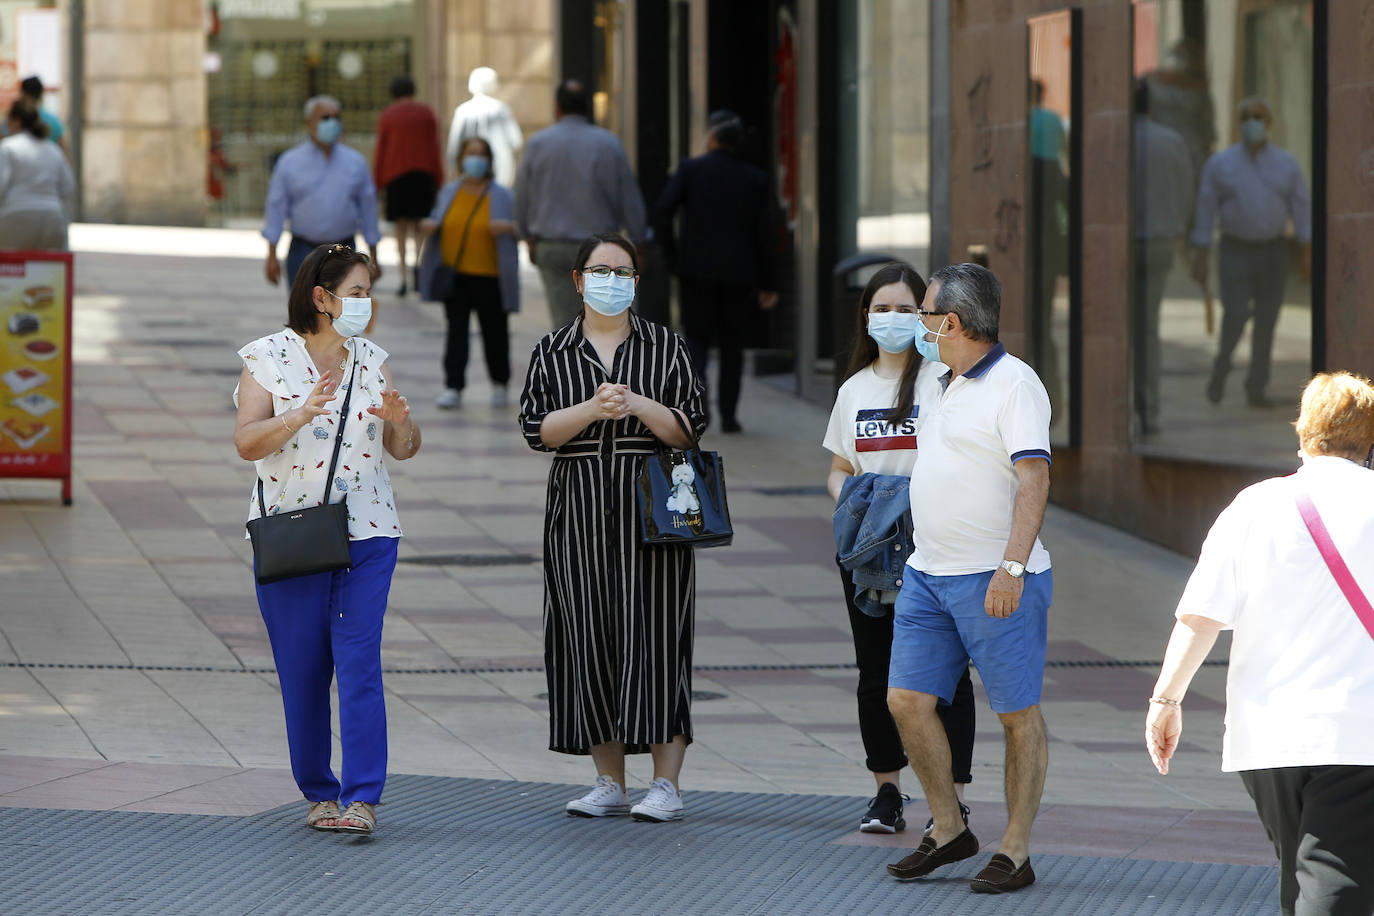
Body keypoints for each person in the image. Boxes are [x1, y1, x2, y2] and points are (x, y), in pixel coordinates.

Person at [1146, 371, 1374, 916]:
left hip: (1267, 735)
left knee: (1303, 872)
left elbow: (1200, 616)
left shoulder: (1254, 506)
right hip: (1356, 731)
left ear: (1303, 435)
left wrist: (1166, 701)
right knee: (1333, 878)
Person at [233, 243, 421, 835]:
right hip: (292, 536)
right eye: (358, 292)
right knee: (303, 668)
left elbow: (405, 449)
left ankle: (362, 798)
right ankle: (319, 792)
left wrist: (400, 423)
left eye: (370, 292)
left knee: (359, 660)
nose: (368, 304)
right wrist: (300, 413)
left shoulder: (373, 360)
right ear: (323, 297)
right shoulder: (267, 358)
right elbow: (246, 443)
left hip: (367, 530)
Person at [518, 232, 706, 822]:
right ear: (577, 280)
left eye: (623, 271)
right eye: (600, 271)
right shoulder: (552, 350)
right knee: (585, 635)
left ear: (636, 281)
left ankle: (666, 784)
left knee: (657, 636)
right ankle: (608, 779)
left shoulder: (666, 346)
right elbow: (535, 429)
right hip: (576, 508)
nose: (612, 280)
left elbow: (689, 426)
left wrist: (638, 404)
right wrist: (593, 409)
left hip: (654, 505)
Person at [884, 263, 1052, 894]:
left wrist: (1011, 567)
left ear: (949, 322)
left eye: (925, 313)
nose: (920, 324)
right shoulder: (939, 379)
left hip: (997, 576)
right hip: (929, 573)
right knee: (906, 701)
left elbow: (1034, 479)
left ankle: (1016, 850)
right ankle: (950, 828)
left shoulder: (1016, 384)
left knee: (1016, 713)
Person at [823, 262, 975, 836]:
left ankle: (953, 798)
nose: (892, 319)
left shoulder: (945, 381)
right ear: (866, 317)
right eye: (881, 308)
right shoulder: (853, 390)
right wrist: (859, 502)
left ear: (927, 316)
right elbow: (838, 469)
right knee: (877, 674)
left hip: (935, 548)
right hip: (868, 556)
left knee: (948, 676)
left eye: (905, 308)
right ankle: (887, 792)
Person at [653, 110, 777, 434]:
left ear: (712, 138)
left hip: (695, 271)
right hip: (740, 274)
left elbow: (663, 211)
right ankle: (730, 415)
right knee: (733, 345)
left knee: (696, 341)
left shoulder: (691, 170)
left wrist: (673, 256)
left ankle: (699, 410)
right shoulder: (755, 178)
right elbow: (766, 232)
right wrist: (768, 281)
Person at [1190, 96, 1311, 409]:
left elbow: (1300, 207)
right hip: (1235, 250)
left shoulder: (1285, 164)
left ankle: (1257, 385)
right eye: (1246, 117)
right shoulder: (1222, 163)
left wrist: (1307, 249)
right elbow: (1205, 208)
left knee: (1267, 321)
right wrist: (1200, 252)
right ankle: (1222, 365)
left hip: (1273, 250)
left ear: (1268, 124)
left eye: (1258, 117)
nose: (1251, 122)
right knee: (1236, 313)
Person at [514, 79, 646, 329]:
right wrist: (638, 240)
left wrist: (527, 236)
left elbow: (522, 195)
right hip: (600, 250)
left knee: (565, 323)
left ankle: (570, 366)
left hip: (553, 246)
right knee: (604, 323)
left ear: (558, 108)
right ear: (588, 108)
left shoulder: (538, 144)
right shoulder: (609, 144)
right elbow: (628, 197)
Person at [418, 136, 520, 409]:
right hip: (457, 276)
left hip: (491, 276)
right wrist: (432, 227)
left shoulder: (503, 195)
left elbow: (524, 227)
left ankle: (500, 384)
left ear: (489, 160)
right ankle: (453, 386)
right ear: (461, 159)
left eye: (481, 154)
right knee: (456, 333)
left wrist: (509, 227)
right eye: (470, 153)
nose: (475, 160)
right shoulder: (450, 192)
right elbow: (440, 219)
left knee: (495, 332)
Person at [263, 96, 383, 290]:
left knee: (342, 315)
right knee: (305, 315)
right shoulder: (290, 162)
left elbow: (369, 209)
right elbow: (276, 208)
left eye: (336, 117)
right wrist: (271, 256)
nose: (332, 123)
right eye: (325, 118)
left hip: (344, 251)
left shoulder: (355, 163)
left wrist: (374, 256)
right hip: (303, 251)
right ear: (309, 123)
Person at [1132, 79, 1195, 435]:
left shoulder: (1122, 142)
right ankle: (1149, 408)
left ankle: (1127, 405)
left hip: (1129, 242)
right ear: (1151, 106)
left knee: (1123, 329)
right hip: (1160, 242)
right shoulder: (1171, 141)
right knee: (1148, 328)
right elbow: (1186, 190)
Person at [373, 75, 443, 297]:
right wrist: (439, 178)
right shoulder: (426, 113)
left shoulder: (388, 115)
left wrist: (378, 183)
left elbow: (381, 151)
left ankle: (403, 275)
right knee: (420, 227)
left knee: (401, 230)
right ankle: (418, 267)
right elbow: (434, 147)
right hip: (423, 175)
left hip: (396, 176)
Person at [0, 99, 76, 250]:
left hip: (16, 218)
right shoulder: (53, 149)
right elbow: (68, 186)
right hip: (53, 220)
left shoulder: (8, 148)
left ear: (17, 121)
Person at [447, 67, 524, 189]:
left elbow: (454, 147)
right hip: (501, 172)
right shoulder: (501, 109)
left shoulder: (463, 111)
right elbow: (516, 141)